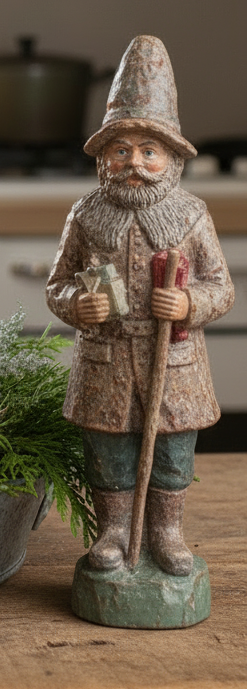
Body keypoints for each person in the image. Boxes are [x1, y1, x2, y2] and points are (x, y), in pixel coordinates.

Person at [46, 35, 234, 576]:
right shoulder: (85, 216)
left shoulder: (192, 215)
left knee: (174, 454)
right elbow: (57, 283)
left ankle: (167, 533)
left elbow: (222, 286)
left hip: (174, 365)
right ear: (103, 157)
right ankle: (113, 532)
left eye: (149, 151)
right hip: (105, 363)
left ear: (172, 159)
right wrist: (77, 304)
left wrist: (188, 301)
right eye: (121, 150)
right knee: (109, 453)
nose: (135, 162)